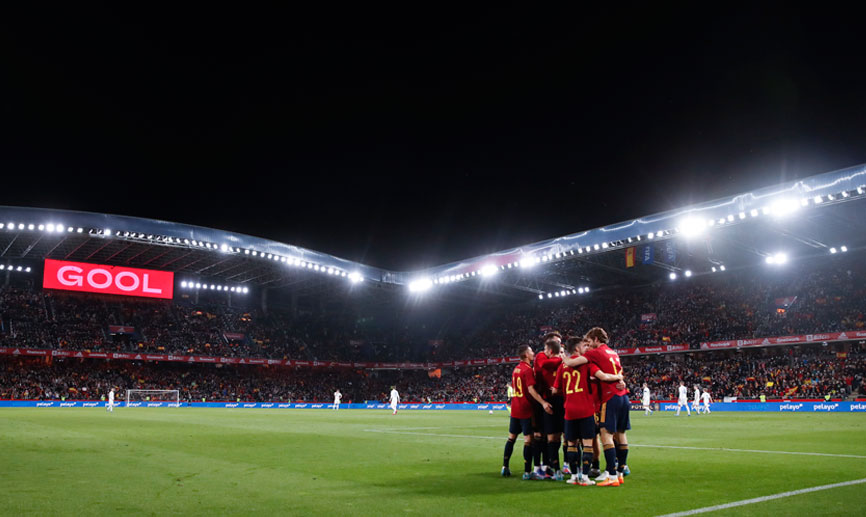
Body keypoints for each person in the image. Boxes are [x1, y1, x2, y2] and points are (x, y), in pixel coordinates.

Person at [560, 327, 630, 486]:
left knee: (605, 435)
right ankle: (619, 472)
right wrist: (620, 378)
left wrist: (563, 355)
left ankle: (611, 475)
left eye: (590, 342)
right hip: (623, 396)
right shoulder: (614, 353)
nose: (589, 346)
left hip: (609, 397)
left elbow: (571, 362)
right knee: (620, 434)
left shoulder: (593, 355)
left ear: (596, 340)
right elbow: (618, 371)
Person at [502, 344, 553, 480]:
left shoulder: (516, 369)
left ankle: (505, 466)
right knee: (528, 440)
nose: (533, 353)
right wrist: (543, 402)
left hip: (515, 408)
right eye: (530, 351)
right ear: (525, 354)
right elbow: (531, 390)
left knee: (511, 438)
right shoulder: (527, 370)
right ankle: (527, 471)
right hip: (526, 408)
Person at [535, 332, 565, 480]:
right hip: (544, 399)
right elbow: (544, 364)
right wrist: (562, 359)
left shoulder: (563, 355)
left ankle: (567, 466)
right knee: (543, 435)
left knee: (564, 436)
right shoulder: (541, 355)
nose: (560, 343)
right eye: (556, 342)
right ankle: (544, 466)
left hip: (562, 399)